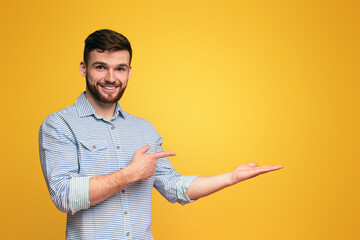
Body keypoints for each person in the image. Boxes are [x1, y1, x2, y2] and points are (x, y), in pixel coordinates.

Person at [39, 29, 283, 240]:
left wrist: (231, 177)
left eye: (119, 68)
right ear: (84, 68)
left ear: (129, 72)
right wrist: (130, 174)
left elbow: (175, 187)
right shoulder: (59, 125)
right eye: (101, 67)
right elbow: (65, 196)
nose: (111, 78)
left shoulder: (144, 129)